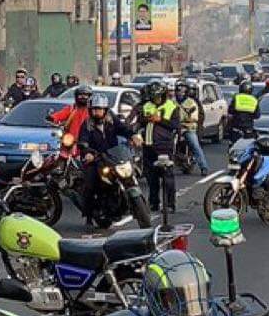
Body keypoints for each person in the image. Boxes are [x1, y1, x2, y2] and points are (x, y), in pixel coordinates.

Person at [77, 93, 140, 225]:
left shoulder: (112, 120)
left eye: (99, 109)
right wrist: (87, 152)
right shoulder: (87, 124)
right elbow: (83, 141)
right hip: (95, 159)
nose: (96, 112)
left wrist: (133, 135)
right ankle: (88, 213)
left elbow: (123, 129)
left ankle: (131, 203)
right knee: (89, 183)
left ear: (105, 110)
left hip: (113, 156)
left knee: (130, 172)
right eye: (94, 109)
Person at [140, 81, 180, 213]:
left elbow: (175, 125)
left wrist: (160, 120)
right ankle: (153, 203)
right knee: (151, 178)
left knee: (167, 177)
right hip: (148, 145)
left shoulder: (171, 106)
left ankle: (170, 204)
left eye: (157, 97)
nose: (155, 99)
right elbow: (140, 120)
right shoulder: (147, 105)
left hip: (164, 146)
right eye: (153, 97)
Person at [175, 81, 209, 176]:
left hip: (187, 128)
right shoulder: (173, 102)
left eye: (182, 91)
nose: (180, 93)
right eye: (178, 91)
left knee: (195, 145)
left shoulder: (191, 102)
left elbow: (195, 117)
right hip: (174, 128)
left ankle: (204, 167)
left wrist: (186, 120)